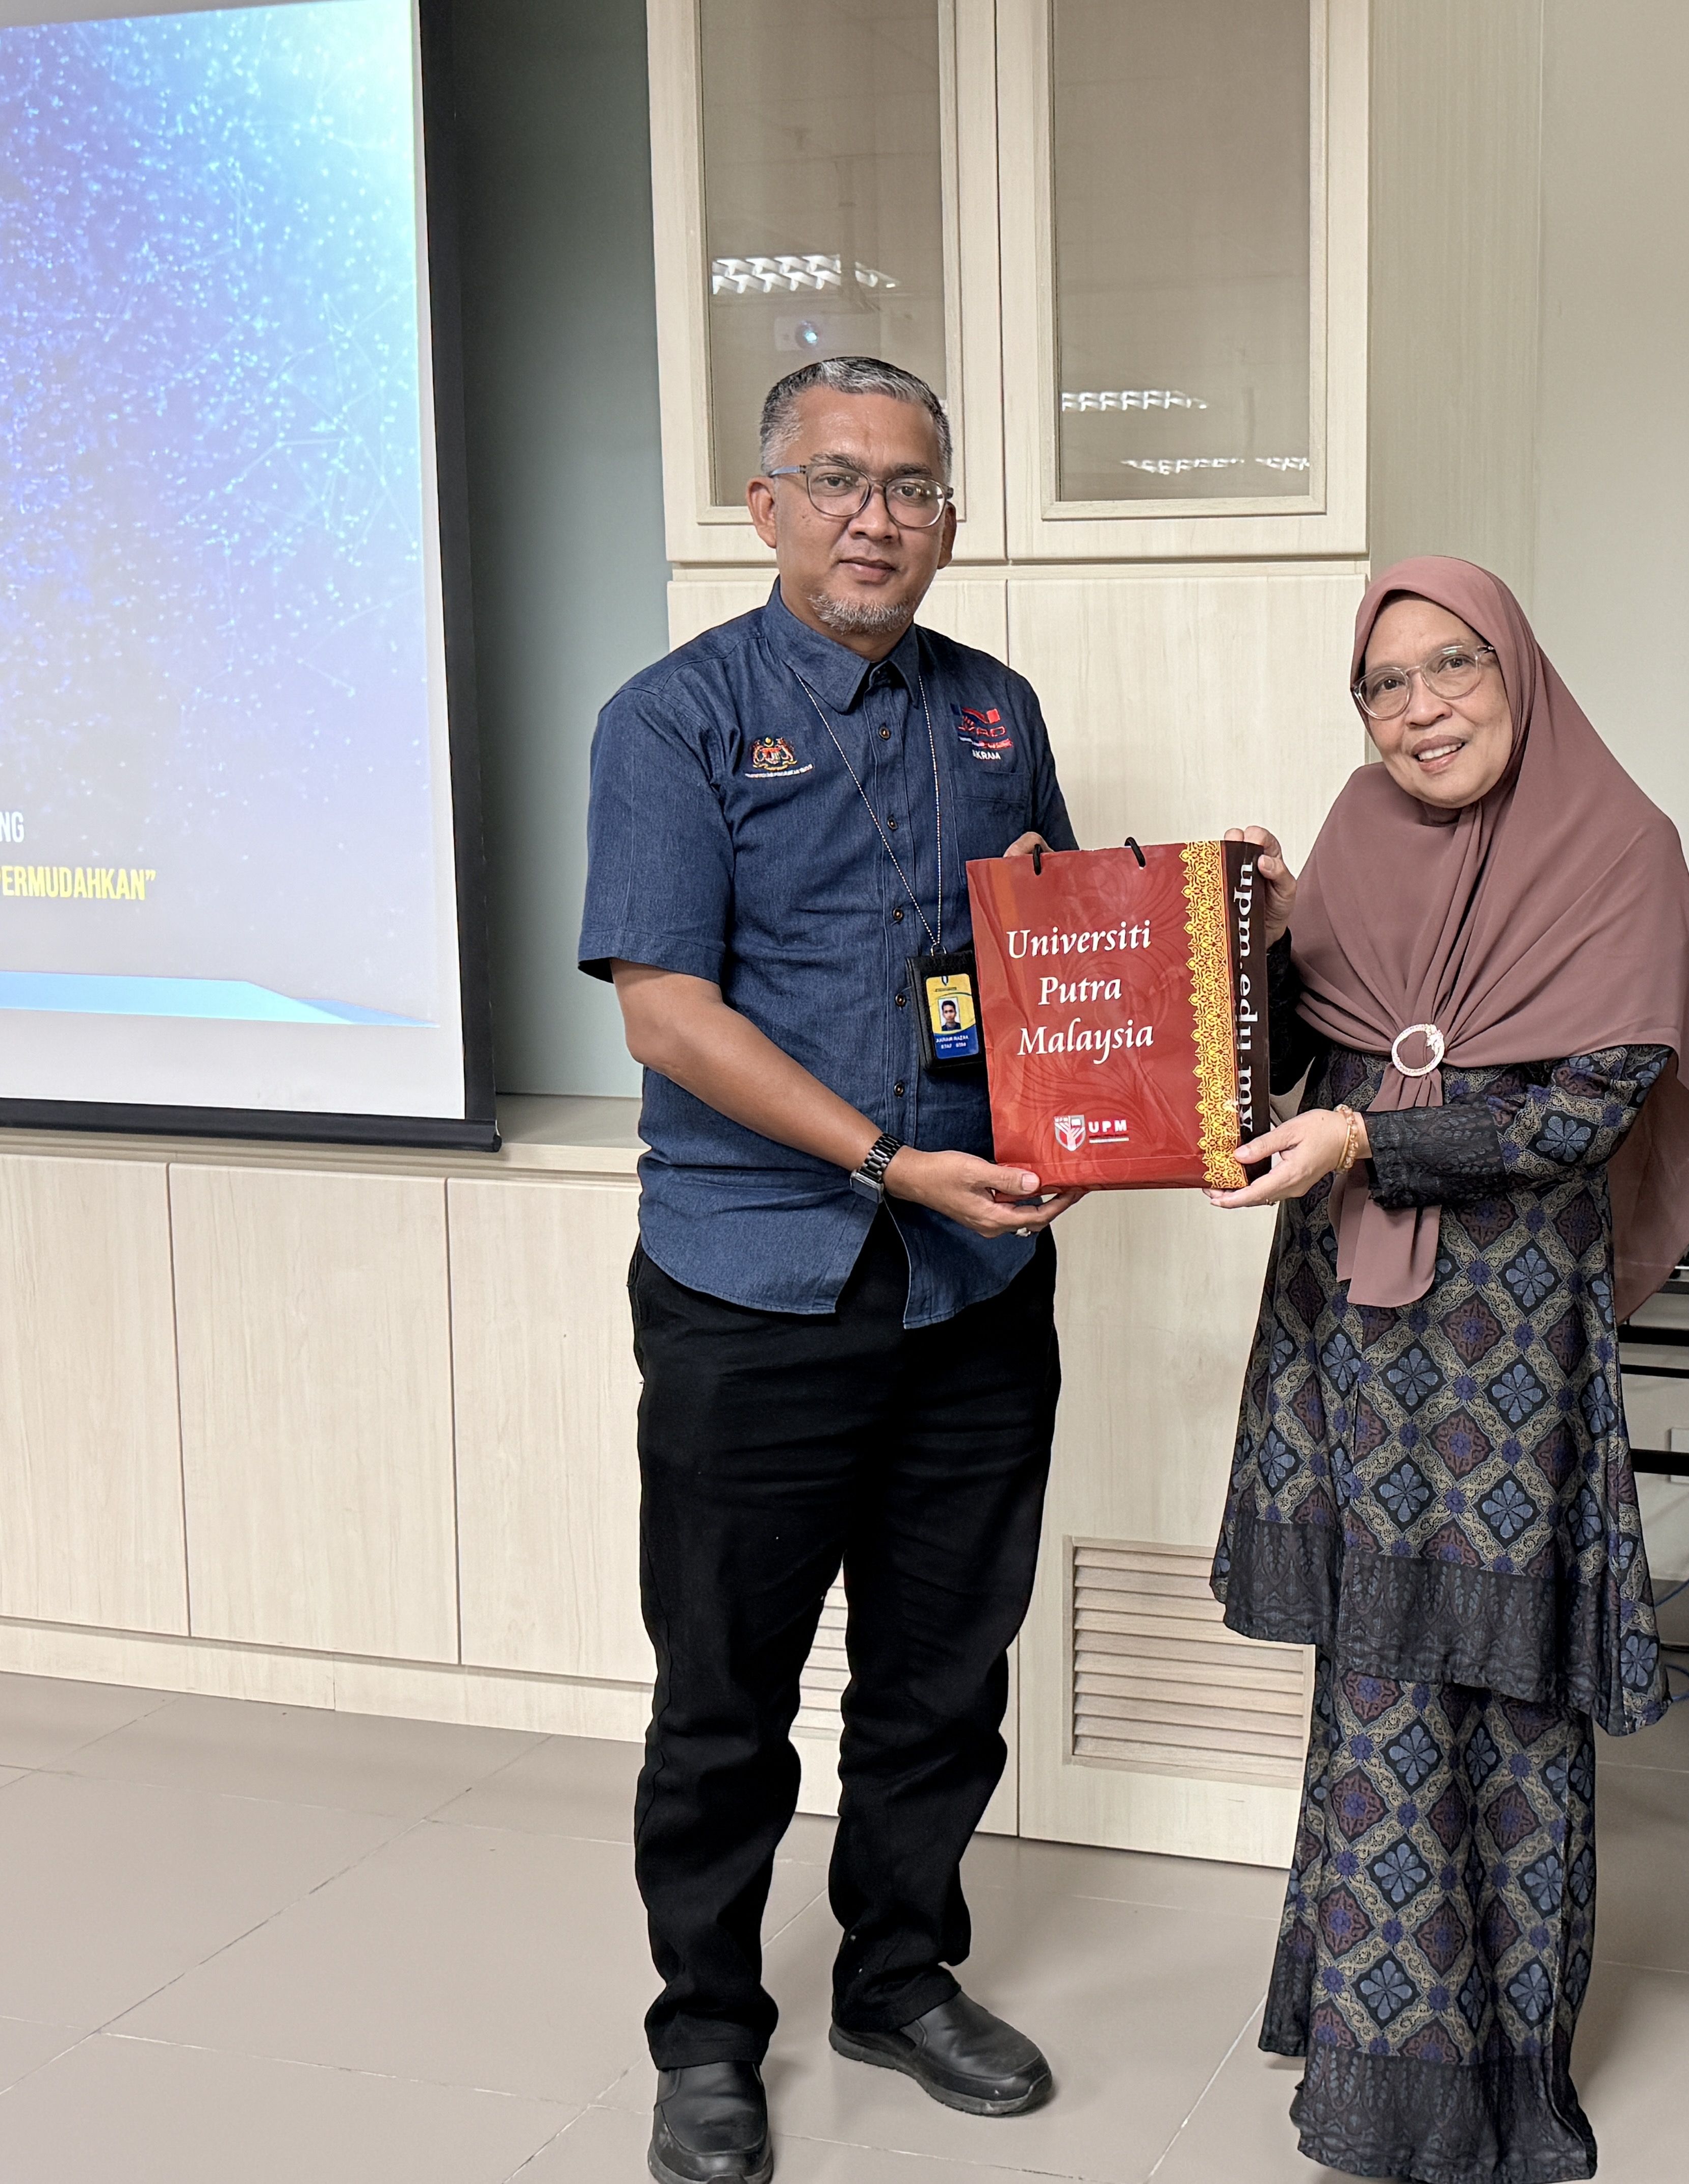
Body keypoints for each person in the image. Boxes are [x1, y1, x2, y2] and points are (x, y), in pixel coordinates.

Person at [578, 356, 1083, 2184]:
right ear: (766, 505)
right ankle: (708, 2031)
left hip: (974, 1290)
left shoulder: (998, 712)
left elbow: (1060, 959)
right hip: (755, 1287)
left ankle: (898, 1974)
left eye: (915, 487)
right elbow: (665, 1011)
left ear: (951, 518)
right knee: (726, 1693)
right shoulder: (674, 719)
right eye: (841, 480)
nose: (880, 518)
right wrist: (883, 1158)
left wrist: (1104, 1092)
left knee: (945, 1670)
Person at [1206, 557, 1689, 2184]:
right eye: (1383, 684)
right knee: (1375, 1680)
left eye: (1453, 666)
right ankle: (1372, 2059)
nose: (1419, 708)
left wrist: (1374, 1137)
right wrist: (1254, 937)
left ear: (1517, 668)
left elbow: (1581, 1115)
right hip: (1351, 1328)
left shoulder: (1622, 848)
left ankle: (1495, 2075)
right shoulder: (1358, 833)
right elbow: (1293, 1063)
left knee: (1507, 1694)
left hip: (1508, 1342)